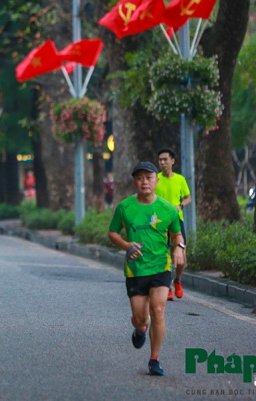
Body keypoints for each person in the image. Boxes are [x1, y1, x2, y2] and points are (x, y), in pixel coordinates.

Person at [108, 161, 184, 377]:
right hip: (135, 270)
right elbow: (113, 233)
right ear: (135, 182)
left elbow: (177, 234)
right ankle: (141, 329)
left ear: (156, 181)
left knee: (158, 310)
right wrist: (126, 245)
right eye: (140, 178)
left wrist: (179, 247)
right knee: (140, 318)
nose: (144, 182)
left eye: (149, 177)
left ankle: (154, 359)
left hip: (161, 267)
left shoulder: (167, 209)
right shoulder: (125, 207)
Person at [155, 148, 191, 301]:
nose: (162, 162)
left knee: (181, 255)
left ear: (172, 161)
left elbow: (188, 198)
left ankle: (177, 280)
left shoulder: (180, 179)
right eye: (160, 160)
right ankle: (167, 286)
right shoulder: (154, 179)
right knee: (164, 256)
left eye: (165, 159)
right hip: (159, 222)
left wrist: (180, 206)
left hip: (177, 220)